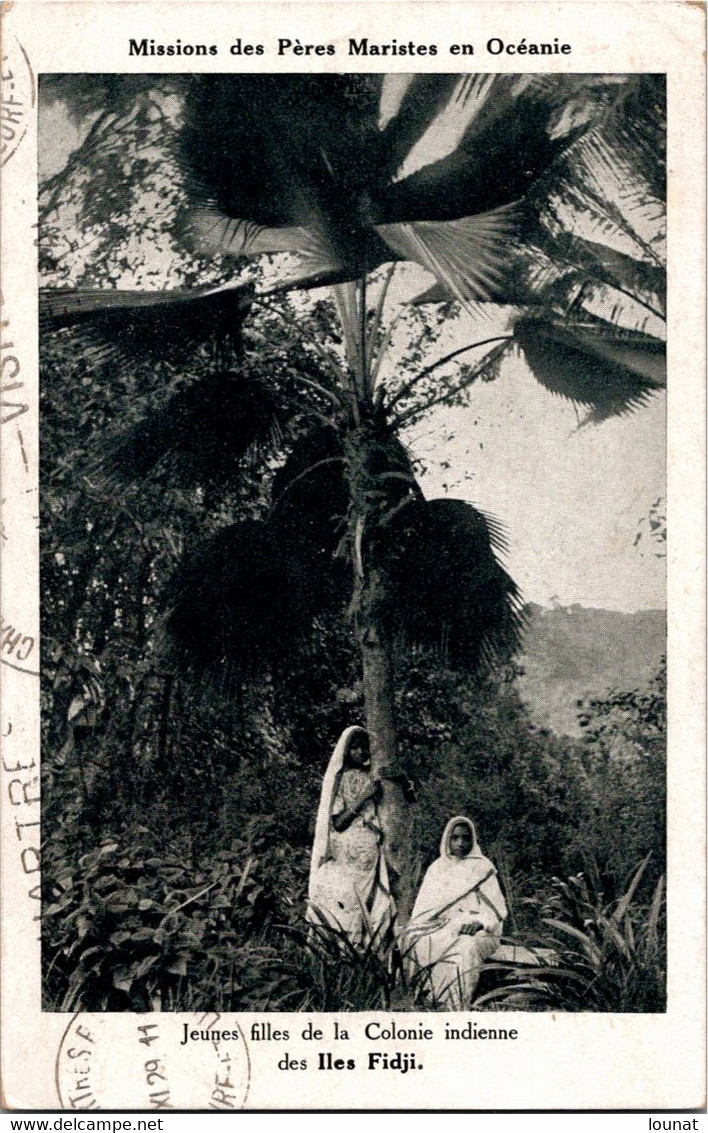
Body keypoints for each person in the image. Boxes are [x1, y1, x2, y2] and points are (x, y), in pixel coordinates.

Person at [404, 815, 507, 1009]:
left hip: (480, 929)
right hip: (443, 925)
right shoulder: (437, 868)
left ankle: (455, 1005)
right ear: (447, 839)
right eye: (455, 837)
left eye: (466, 838)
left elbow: (497, 910)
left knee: (464, 948)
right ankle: (427, 1000)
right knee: (418, 940)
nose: (460, 843)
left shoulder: (482, 868)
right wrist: (428, 923)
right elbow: (423, 909)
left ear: (473, 840)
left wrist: (479, 923)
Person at [307, 726, 395, 946]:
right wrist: (364, 797)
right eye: (354, 748)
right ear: (345, 751)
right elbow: (338, 823)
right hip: (348, 850)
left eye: (364, 748)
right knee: (346, 900)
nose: (361, 753)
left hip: (370, 850)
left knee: (369, 902)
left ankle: (364, 949)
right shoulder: (340, 779)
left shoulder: (372, 777)